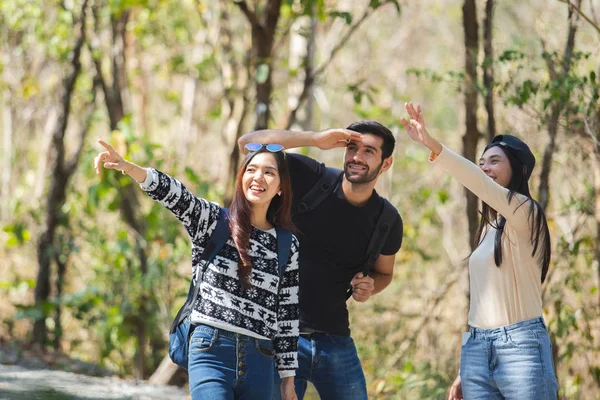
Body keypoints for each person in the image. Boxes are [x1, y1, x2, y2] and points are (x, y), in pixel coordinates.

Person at [93, 139, 299, 400]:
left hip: (261, 357)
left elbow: (287, 312)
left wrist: (288, 379)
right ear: (241, 178)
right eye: (251, 169)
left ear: (281, 187)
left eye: (269, 172)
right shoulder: (214, 221)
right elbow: (176, 195)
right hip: (211, 348)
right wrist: (130, 168)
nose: (258, 177)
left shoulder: (286, 243)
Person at [401, 103, 558, 400]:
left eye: (494, 161)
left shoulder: (526, 212)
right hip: (478, 349)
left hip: (521, 347)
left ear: (518, 169)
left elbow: (476, 181)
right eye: (482, 162)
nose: (485, 168)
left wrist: (431, 143)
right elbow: (484, 298)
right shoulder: (488, 229)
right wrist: (468, 366)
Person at [238, 122, 403, 399]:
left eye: (368, 151)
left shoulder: (387, 220)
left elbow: (384, 273)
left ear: (386, 164)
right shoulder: (312, 177)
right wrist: (314, 139)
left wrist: (370, 286)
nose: (357, 157)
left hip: (335, 339)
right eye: (352, 148)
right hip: (277, 336)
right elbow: (248, 143)